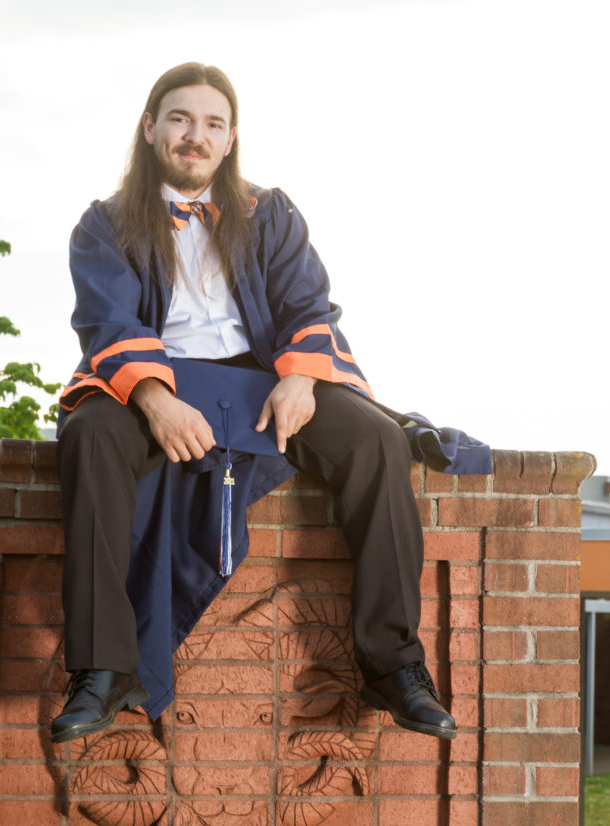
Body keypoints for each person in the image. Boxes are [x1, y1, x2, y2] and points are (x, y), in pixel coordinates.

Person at [51, 62, 461, 747]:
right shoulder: (106, 223)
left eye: (212, 124)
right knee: (92, 433)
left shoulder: (268, 212)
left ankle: (392, 665)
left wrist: (300, 377)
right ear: (150, 128)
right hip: (157, 380)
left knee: (375, 441)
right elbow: (109, 325)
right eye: (179, 118)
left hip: (263, 381)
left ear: (230, 138)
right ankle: (103, 667)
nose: (195, 135)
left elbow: (306, 304)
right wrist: (154, 400)